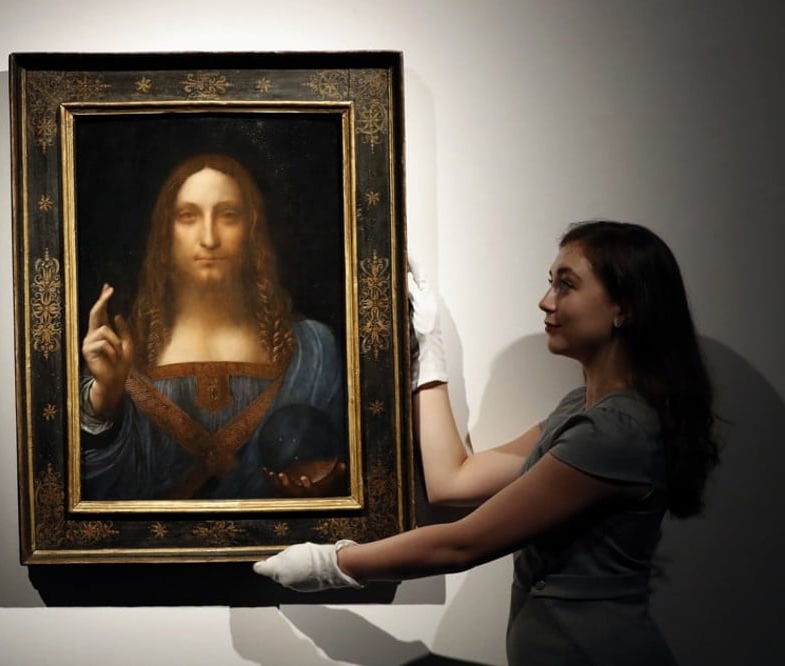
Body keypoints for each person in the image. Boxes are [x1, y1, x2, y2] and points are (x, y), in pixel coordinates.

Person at [254, 220, 720, 665]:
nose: (545, 300)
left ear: (624, 307)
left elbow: (462, 545)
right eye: (550, 282)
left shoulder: (614, 434)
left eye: (566, 284)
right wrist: (429, 351)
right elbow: (452, 481)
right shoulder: (581, 410)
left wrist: (332, 564)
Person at [78, 153, 347, 500]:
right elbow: (96, 490)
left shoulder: (314, 351)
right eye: (188, 216)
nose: (209, 238)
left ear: (251, 231)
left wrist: (323, 485)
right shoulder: (122, 355)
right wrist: (105, 394)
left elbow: (340, 471)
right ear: (165, 233)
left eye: (228, 216)